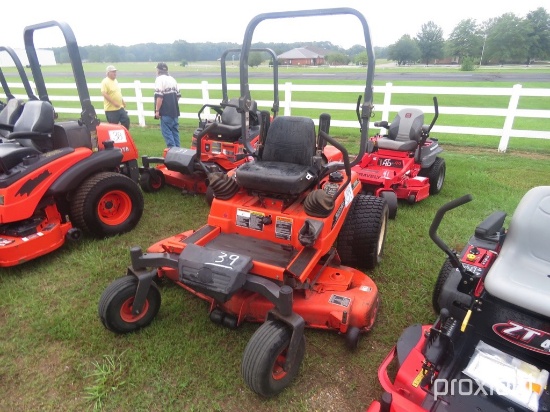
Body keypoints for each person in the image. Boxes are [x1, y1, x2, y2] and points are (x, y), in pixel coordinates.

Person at [154, 62, 181, 148]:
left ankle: (172, 153)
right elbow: (178, 96)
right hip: (175, 111)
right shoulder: (172, 79)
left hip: (166, 112)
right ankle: (179, 153)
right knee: (175, 133)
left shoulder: (159, 80)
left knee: (167, 134)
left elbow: (160, 97)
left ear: (158, 70)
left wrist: (157, 110)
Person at [101, 65, 130, 130]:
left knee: (126, 120)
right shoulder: (105, 81)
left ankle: (124, 134)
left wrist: (122, 101)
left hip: (120, 107)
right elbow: (104, 93)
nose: (115, 73)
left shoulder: (115, 81)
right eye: (113, 72)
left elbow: (118, 92)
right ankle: (114, 139)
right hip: (111, 110)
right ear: (108, 73)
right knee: (113, 126)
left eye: (115, 72)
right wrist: (114, 103)